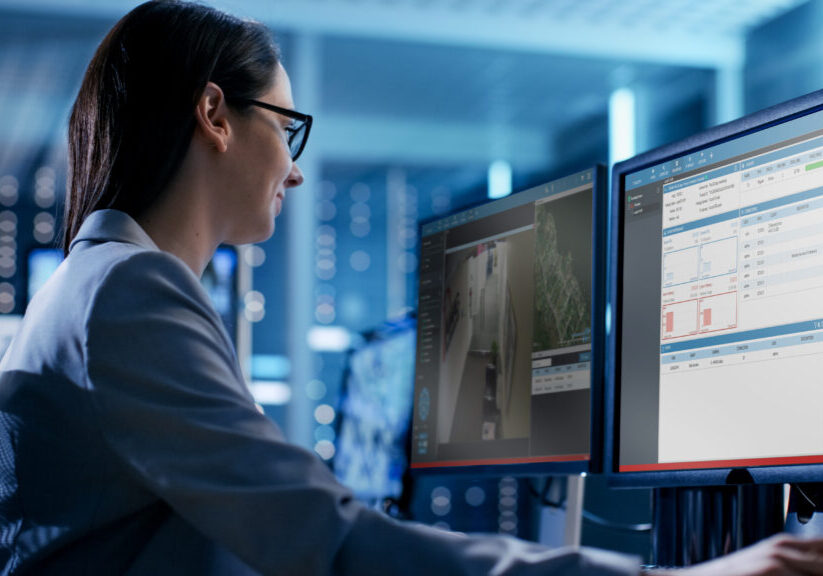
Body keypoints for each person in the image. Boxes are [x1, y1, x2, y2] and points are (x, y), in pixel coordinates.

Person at [0, 1, 822, 574]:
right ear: (215, 114)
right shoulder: (129, 291)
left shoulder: (100, 282)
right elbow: (321, 538)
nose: (292, 170)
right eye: (287, 129)